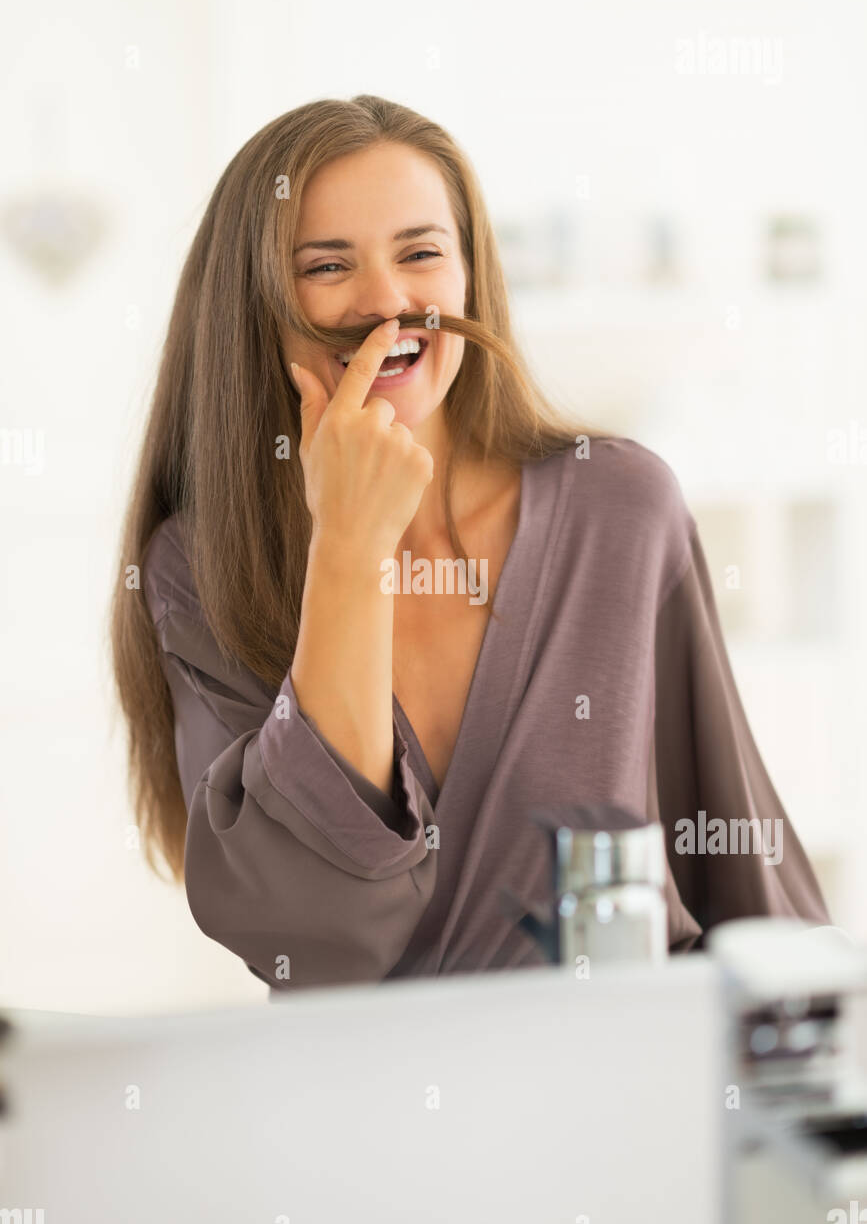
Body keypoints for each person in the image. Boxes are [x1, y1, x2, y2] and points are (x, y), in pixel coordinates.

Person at [109, 95, 830, 997]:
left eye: (420, 253)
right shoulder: (205, 569)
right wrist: (349, 548)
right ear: (254, 307)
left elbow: (735, 855)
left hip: (627, 1096)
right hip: (365, 1117)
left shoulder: (621, 508)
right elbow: (317, 932)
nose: (387, 302)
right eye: (326, 266)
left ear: (469, 277)